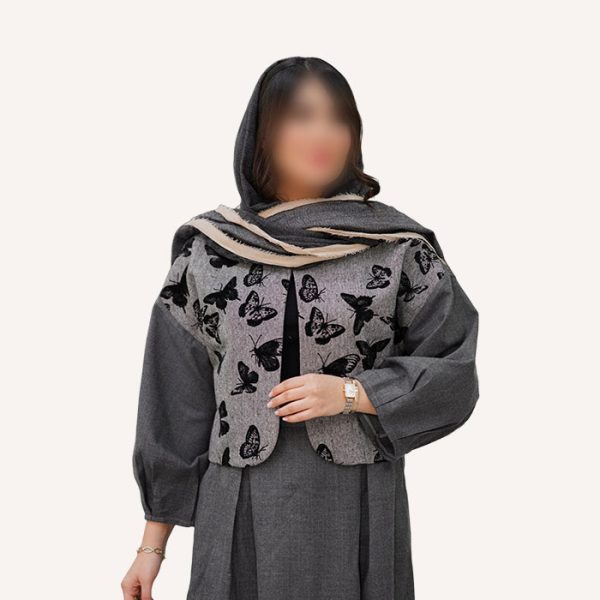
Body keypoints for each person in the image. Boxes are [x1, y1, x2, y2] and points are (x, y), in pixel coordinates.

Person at [121, 56, 479, 600]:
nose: (323, 134)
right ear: (262, 133)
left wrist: (354, 393)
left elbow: (453, 370)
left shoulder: (398, 249)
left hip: (357, 503)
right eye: (301, 116)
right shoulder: (210, 255)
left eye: (338, 118)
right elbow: (175, 404)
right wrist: (151, 548)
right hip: (236, 506)